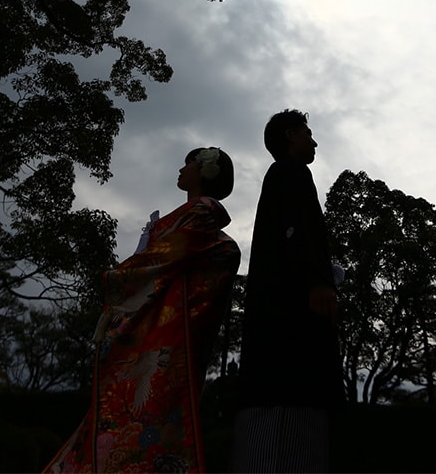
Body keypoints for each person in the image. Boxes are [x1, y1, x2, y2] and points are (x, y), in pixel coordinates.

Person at [45, 147, 241, 474]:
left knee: (149, 409)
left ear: (205, 172)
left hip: (168, 333)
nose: (181, 169)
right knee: (145, 411)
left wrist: (117, 277)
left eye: (188, 164)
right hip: (164, 328)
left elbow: (165, 257)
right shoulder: (194, 214)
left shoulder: (202, 211)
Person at [232, 110, 343, 472]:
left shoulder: (281, 177)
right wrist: (319, 281)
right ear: (290, 135)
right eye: (308, 134)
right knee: (290, 417)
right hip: (289, 324)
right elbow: (301, 232)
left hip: (276, 320)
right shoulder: (290, 172)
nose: (314, 141)